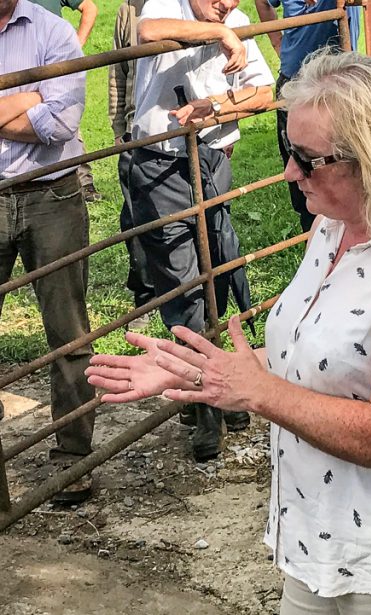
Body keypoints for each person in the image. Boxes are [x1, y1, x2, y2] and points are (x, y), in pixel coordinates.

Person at [87, 50, 371, 614]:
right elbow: (310, 355)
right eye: (288, 151)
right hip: (319, 543)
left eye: (307, 159)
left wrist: (255, 392)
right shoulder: (333, 227)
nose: (288, 173)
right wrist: (199, 370)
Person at [129, 0, 275, 460]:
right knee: (181, 278)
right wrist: (216, 34)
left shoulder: (236, 20)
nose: (226, 5)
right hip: (160, 162)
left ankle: (227, 382)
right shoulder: (165, 6)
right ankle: (202, 401)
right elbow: (146, 30)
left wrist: (215, 105)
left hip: (213, 157)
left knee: (221, 265)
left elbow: (264, 91)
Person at [0, 0, 96, 504]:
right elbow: (44, 113)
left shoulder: (54, 31)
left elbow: (61, 125)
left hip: (51, 193)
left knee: (68, 331)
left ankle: (73, 461)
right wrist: (30, 97)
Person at [254, 0, 339, 232]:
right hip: (295, 78)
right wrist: (277, 41)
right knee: (302, 165)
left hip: (338, 79)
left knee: (343, 159)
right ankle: (312, 239)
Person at [108, 0, 154, 330]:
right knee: (136, 220)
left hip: (183, 128)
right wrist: (118, 129)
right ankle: (146, 298)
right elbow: (118, 72)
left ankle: (197, 293)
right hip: (135, 130)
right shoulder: (128, 9)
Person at [29, 0, 101, 203]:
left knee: (64, 121)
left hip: (53, 67)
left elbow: (90, 7)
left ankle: (84, 181)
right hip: (21, 66)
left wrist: (74, 48)